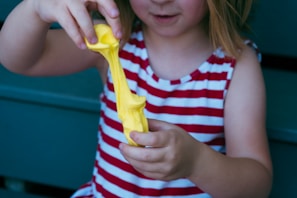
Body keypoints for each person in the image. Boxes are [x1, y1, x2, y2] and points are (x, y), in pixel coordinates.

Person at [0, 0, 273, 197]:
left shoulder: (235, 67)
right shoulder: (113, 42)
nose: (160, 0)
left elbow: (257, 184)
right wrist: (35, 9)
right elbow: (20, 61)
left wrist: (197, 162)